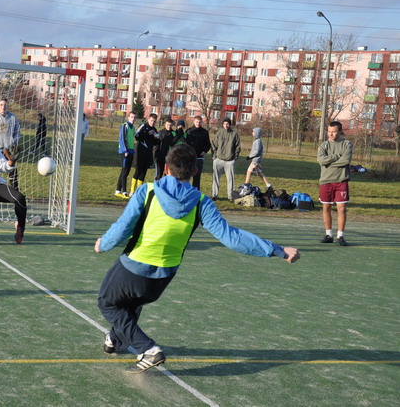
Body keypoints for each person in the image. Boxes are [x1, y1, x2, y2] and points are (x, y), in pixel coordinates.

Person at [94, 144, 300, 373]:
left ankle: (148, 349)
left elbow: (123, 228)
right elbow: (232, 237)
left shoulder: (147, 192)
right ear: (194, 172)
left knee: (108, 302)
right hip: (162, 278)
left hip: (133, 267)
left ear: (165, 168)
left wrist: (103, 244)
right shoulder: (201, 202)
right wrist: (277, 249)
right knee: (131, 302)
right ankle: (114, 339)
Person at [317, 121, 353, 246]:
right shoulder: (324, 145)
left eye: (334, 131)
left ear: (340, 131)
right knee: (326, 207)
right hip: (326, 181)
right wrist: (337, 156)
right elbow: (321, 160)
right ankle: (328, 235)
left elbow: (346, 161)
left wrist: (329, 163)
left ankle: (340, 236)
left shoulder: (347, 144)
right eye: (329, 131)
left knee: (341, 209)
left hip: (341, 181)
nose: (331, 134)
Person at [0, 98, 21, 189]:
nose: (3, 107)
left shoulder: (13, 117)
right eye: (1, 105)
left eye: (5, 105)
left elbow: (17, 131)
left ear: (8, 106)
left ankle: (15, 192)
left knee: (13, 173)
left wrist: (14, 141)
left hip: (10, 150)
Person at [211, 118, 240, 200]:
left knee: (231, 179)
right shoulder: (219, 133)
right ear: (222, 124)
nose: (226, 125)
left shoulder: (234, 134)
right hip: (218, 159)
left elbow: (238, 146)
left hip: (229, 160)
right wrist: (214, 157)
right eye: (224, 124)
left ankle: (230, 196)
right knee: (215, 178)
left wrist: (235, 157)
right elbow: (214, 145)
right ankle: (214, 195)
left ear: (230, 124)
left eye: (227, 124)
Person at [130, 113, 159, 195]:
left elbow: (155, 143)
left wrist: (156, 138)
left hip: (148, 153)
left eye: (154, 121)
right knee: (138, 170)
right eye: (151, 120)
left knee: (144, 172)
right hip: (140, 152)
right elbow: (137, 136)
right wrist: (148, 133)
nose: (152, 122)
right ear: (148, 119)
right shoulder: (143, 126)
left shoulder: (154, 129)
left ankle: (138, 191)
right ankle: (132, 190)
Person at [184, 115, 211, 190]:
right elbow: (185, 143)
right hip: (190, 158)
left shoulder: (204, 132)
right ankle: (186, 192)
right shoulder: (189, 131)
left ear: (201, 122)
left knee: (197, 177)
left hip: (199, 158)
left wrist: (204, 151)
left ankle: (196, 193)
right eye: (196, 122)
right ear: (194, 122)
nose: (198, 123)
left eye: (199, 122)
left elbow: (208, 145)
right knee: (186, 176)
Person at [115, 112, 136, 199]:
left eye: (134, 117)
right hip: (125, 152)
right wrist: (125, 150)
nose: (133, 119)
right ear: (128, 117)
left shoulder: (133, 127)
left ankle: (117, 191)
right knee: (124, 171)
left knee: (126, 171)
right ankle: (124, 192)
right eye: (131, 117)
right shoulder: (125, 126)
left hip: (131, 151)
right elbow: (122, 138)